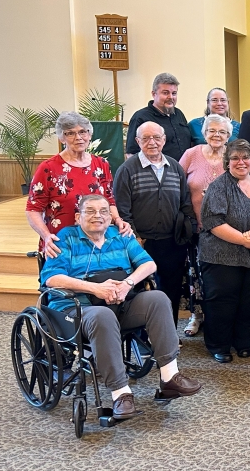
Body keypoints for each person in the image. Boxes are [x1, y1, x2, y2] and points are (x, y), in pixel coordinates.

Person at [40, 194, 202, 419]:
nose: (98, 216)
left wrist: (127, 284)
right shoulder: (65, 239)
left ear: (111, 216)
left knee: (158, 299)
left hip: (120, 303)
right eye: (91, 211)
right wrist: (95, 289)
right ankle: (121, 393)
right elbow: (52, 278)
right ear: (78, 217)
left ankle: (169, 376)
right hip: (77, 310)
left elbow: (149, 264)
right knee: (102, 316)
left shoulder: (121, 236)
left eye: (104, 211)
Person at [198, 139, 250, 362]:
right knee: (222, 302)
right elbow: (213, 222)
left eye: (245, 158)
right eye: (235, 158)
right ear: (227, 162)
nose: (241, 162)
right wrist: (244, 240)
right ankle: (219, 345)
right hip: (222, 256)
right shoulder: (219, 186)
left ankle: (243, 341)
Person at [113, 121, 196, 328]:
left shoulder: (175, 167)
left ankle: (169, 332)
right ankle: (142, 337)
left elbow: (185, 204)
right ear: (137, 141)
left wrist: (188, 231)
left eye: (157, 138)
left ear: (164, 140)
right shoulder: (127, 170)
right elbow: (122, 210)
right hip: (141, 243)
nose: (152, 142)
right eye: (146, 138)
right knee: (140, 291)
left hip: (171, 242)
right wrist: (135, 238)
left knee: (172, 290)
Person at [26, 111, 132, 258]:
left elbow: (109, 200)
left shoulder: (101, 164)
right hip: (61, 243)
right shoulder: (48, 168)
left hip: (98, 240)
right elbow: (33, 209)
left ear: (89, 135)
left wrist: (118, 220)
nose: (78, 138)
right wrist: (46, 236)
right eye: (70, 133)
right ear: (62, 138)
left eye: (83, 132)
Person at [178, 114, 232, 337]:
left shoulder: (232, 156)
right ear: (204, 133)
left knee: (220, 278)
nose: (216, 135)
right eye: (212, 131)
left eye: (222, 132)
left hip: (225, 229)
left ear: (228, 136)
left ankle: (218, 318)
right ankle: (196, 316)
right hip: (195, 227)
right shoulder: (191, 154)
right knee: (195, 274)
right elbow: (178, 185)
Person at [126, 73, 192, 161]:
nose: (171, 97)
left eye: (174, 93)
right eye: (165, 93)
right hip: (157, 172)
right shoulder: (140, 117)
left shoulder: (178, 113)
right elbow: (131, 153)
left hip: (183, 171)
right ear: (154, 94)